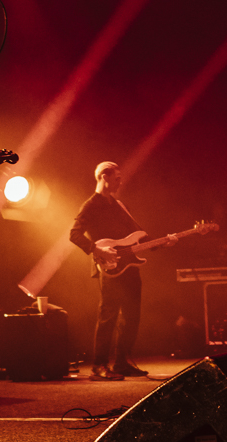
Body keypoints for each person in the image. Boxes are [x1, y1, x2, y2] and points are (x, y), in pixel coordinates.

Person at [68, 162, 168, 379]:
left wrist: (161, 243)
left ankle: (121, 363)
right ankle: (98, 366)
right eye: (117, 177)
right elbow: (74, 234)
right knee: (108, 316)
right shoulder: (90, 205)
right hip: (109, 269)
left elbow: (138, 234)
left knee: (132, 317)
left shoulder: (120, 205)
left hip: (130, 266)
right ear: (104, 176)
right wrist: (97, 250)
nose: (120, 181)